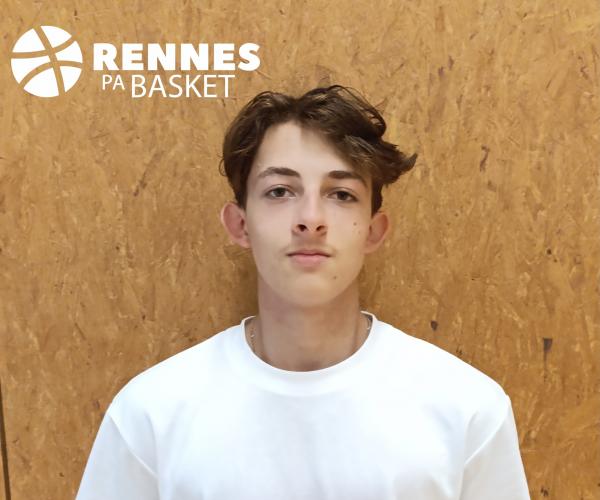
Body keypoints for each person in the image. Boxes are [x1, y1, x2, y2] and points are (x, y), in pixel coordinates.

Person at [75, 85, 531, 499]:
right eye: (279, 191)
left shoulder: (467, 410)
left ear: (373, 231)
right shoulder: (150, 416)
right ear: (240, 225)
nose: (310, 219)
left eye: (341, 194)